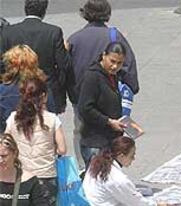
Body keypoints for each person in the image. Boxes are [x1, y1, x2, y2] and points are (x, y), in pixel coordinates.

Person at [66, 0, 139, 171]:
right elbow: (130, 67)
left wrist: (71, 94)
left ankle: (84, 168)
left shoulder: (75, 39)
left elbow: (66, 69)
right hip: (109, 99)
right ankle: (106, 171)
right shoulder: (115, 36)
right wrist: (130, 89)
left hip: (80, 98)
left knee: (81, 131)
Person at [5, 76, 67, 206]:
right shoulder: (51, 119)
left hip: (22, 176)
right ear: (44, 97)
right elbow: (63, 148)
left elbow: (6, 142)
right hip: (46, 176)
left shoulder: (13, 119)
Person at [0, 0, 71, 114]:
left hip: (15, 88)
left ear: (25, 9)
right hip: (45, 90)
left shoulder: (8, 32)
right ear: (44, 11)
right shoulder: (53, 32)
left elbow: (3, 63)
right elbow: (63, 65)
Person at [78, 41, 128, 168]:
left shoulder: (112, 76)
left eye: (119, 63)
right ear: (104, 56)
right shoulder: (92, 76)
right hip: (95, 141)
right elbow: (85, 108)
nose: (115, 66)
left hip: (109, 139)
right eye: (112, 61)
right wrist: (108, 121)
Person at [0, 45, 42, 133]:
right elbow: (51, 112)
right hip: (37, 137)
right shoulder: (42, 89)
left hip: (10, 138)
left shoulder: (3, 90)